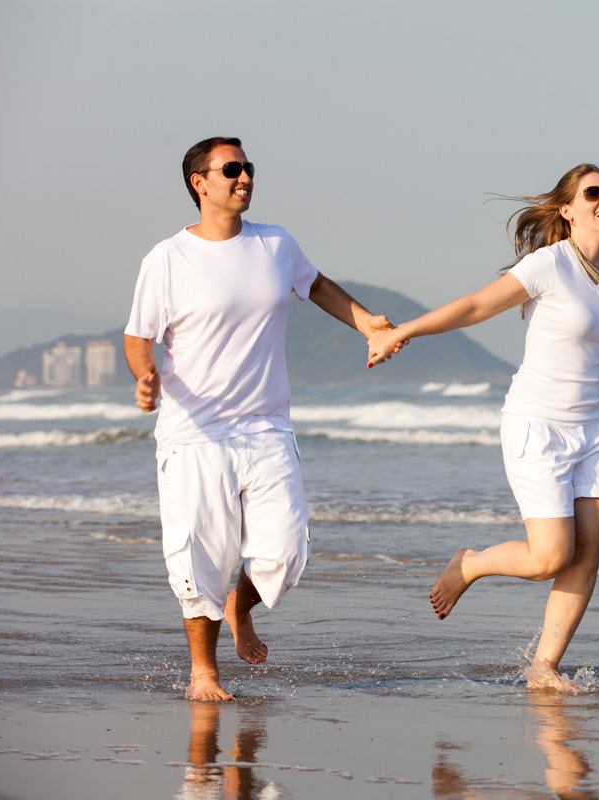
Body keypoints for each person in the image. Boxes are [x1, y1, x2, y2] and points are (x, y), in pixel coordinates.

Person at [367, 164, 599, 691]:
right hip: (537, 425)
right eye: (593, 192)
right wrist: (402, 332)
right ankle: (470, 564)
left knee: (588, 552)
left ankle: (544, 665)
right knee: (550, 557)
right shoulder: (548, 264)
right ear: (568, 209)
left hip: (593, 432)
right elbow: (475, 307)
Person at [124, 136, 395, 701]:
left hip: (267, 427)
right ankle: (204, 672)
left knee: (285, 553)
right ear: (200, 182)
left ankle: (239, 605)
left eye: (248, 167)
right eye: (231, 169)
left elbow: (316, 286)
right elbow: (138, 336)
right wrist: (145, 376)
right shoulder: (168, 258)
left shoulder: (275, 243)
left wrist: (367, 322)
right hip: (195, 433)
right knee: (200, 557)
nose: (244, 177)